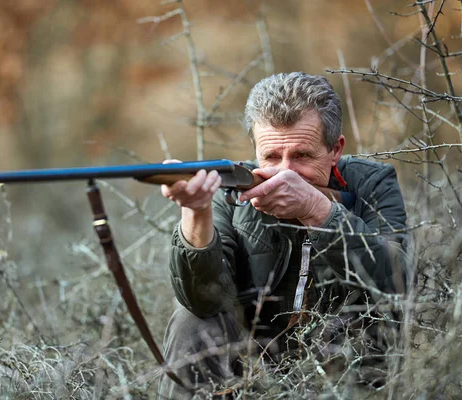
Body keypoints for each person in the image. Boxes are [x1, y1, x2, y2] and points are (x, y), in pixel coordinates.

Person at [157, 72, 410, 399]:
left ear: (335, 149)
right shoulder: (232, 189)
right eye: (271, 157)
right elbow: (201, 299)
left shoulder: (373, 184)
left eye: (302, 155)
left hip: (341, 366)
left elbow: (398, 281)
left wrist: (317, 211)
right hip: (251, 367)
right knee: (191, 321)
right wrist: (195, 211)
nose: (284, 173)